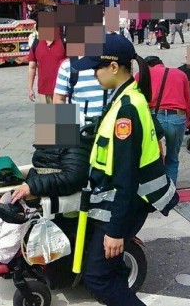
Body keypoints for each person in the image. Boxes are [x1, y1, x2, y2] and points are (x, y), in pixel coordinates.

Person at [72, 33, 178, 306]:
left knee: (97, 277)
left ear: (114, 67)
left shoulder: (126, 111)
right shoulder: (125, 97)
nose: (93, 73)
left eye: (96, 67)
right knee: (110, 271)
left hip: (126, 203)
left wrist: (116, 231)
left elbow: (126, 176)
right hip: (119, 198)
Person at [0, 134, 90, 267]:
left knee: (17, 208)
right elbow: (41, 167)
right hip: (47, 185)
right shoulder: (53, 140)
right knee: (8, 197)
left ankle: (2, 255)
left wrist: (32, 186)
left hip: (61, 193)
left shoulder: (76, 144)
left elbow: (73, 178)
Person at [141, 56, 190, 183]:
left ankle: (157, 189)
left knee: (151, 157)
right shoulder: (180, 74)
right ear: (162, 63)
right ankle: (171, 192)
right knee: (173, 157)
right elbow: (188, 100)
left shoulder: (143, 75)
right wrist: (188, 119)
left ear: (148, 66)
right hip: (177, 117)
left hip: (154, 117)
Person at [53, 58, 106, 126]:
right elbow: (58, 99)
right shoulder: (68, 65)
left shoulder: (111, 63)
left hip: (109, 126)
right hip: (79, 128)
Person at [27, 26, 66, 104]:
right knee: (48, 116)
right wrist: (30, 88)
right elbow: (32, 67)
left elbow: (74, 64)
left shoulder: (64, 41)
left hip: (63, 90)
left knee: (63, 116)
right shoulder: (36, 43)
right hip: (44, 90)